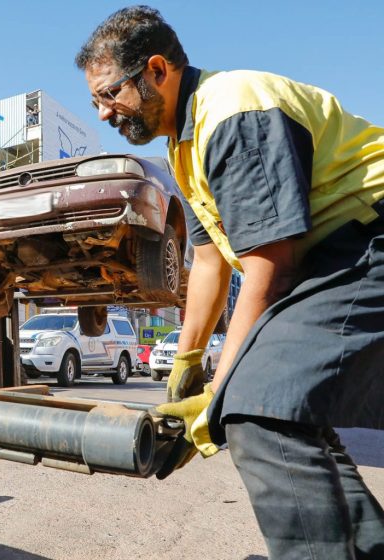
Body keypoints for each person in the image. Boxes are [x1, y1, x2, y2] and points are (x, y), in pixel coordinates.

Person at [75, 6, 384, 558]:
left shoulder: (231, 111)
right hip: (334, 256)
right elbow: (210, 259)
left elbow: (269, 267)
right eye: (95, 101)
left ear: (156, 71)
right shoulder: (183, 145)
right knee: (286, 410)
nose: (103, 113)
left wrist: (221, 392)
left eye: (109, 94)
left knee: (256, 406)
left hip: (368, 237)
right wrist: (186, 365)